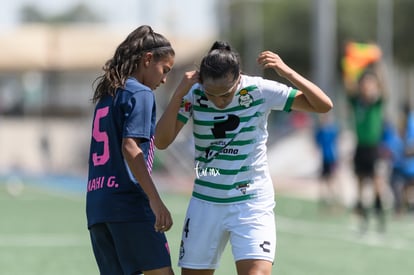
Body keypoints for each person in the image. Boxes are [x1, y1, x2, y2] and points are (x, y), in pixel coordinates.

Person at [155, 41, 333, 275]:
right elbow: (161, 141)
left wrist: (286, 72)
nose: (219, 101)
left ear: (239, 78)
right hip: (206, 201)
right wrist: (180, 91)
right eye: (212, 95)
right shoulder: (194, 94)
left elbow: (324, 105)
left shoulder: (260, 90)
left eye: (226, 94)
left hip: (252, 201)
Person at [86, 25, 175, 275]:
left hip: (97, 205)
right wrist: (155, 201)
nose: (165, 79)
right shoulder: (141, 93)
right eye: (164, 70)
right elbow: (130, 147)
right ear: (148, 59)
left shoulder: (107, 94)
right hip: (128, 204)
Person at [345, 68, 387, 233]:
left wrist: (378, 66)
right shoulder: (356, 101)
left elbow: (384, 88)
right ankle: (363, 217)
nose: (366, 86)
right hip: (360, 147)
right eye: (364, 83)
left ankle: (379, 214)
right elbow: (348, 86)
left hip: (373, 147)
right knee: (360, 184)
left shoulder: (376, 101)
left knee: (377, 182)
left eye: (370, 83)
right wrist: (349, 65)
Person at [314, 113, 340, 210]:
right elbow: (317, 143)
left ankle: (335, 199)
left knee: (332, 180)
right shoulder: (321, 131)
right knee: (324, 180)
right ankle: (326, 199)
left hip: (331, 158)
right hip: (324, 159)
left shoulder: (331, 130)